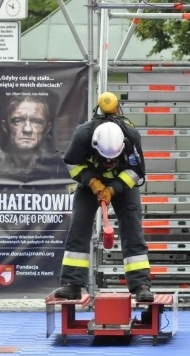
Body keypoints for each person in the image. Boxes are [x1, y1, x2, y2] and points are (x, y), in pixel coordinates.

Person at [52, 92, 153, 303]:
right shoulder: (83, 135)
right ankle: (72, 284)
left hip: (123, 183)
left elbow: (136, 171)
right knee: (79, 225)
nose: (109, 162)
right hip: (90, 182)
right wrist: (92, 182)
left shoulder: (131, 137)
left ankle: (141, 285)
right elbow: (72, 163)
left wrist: (114, 188)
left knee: (132, 227)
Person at [0, 95, 67, 182]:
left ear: (48, 128)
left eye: (36, 122)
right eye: (18, 121)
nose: (27, 129)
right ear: (5, 126)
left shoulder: (61, 167)